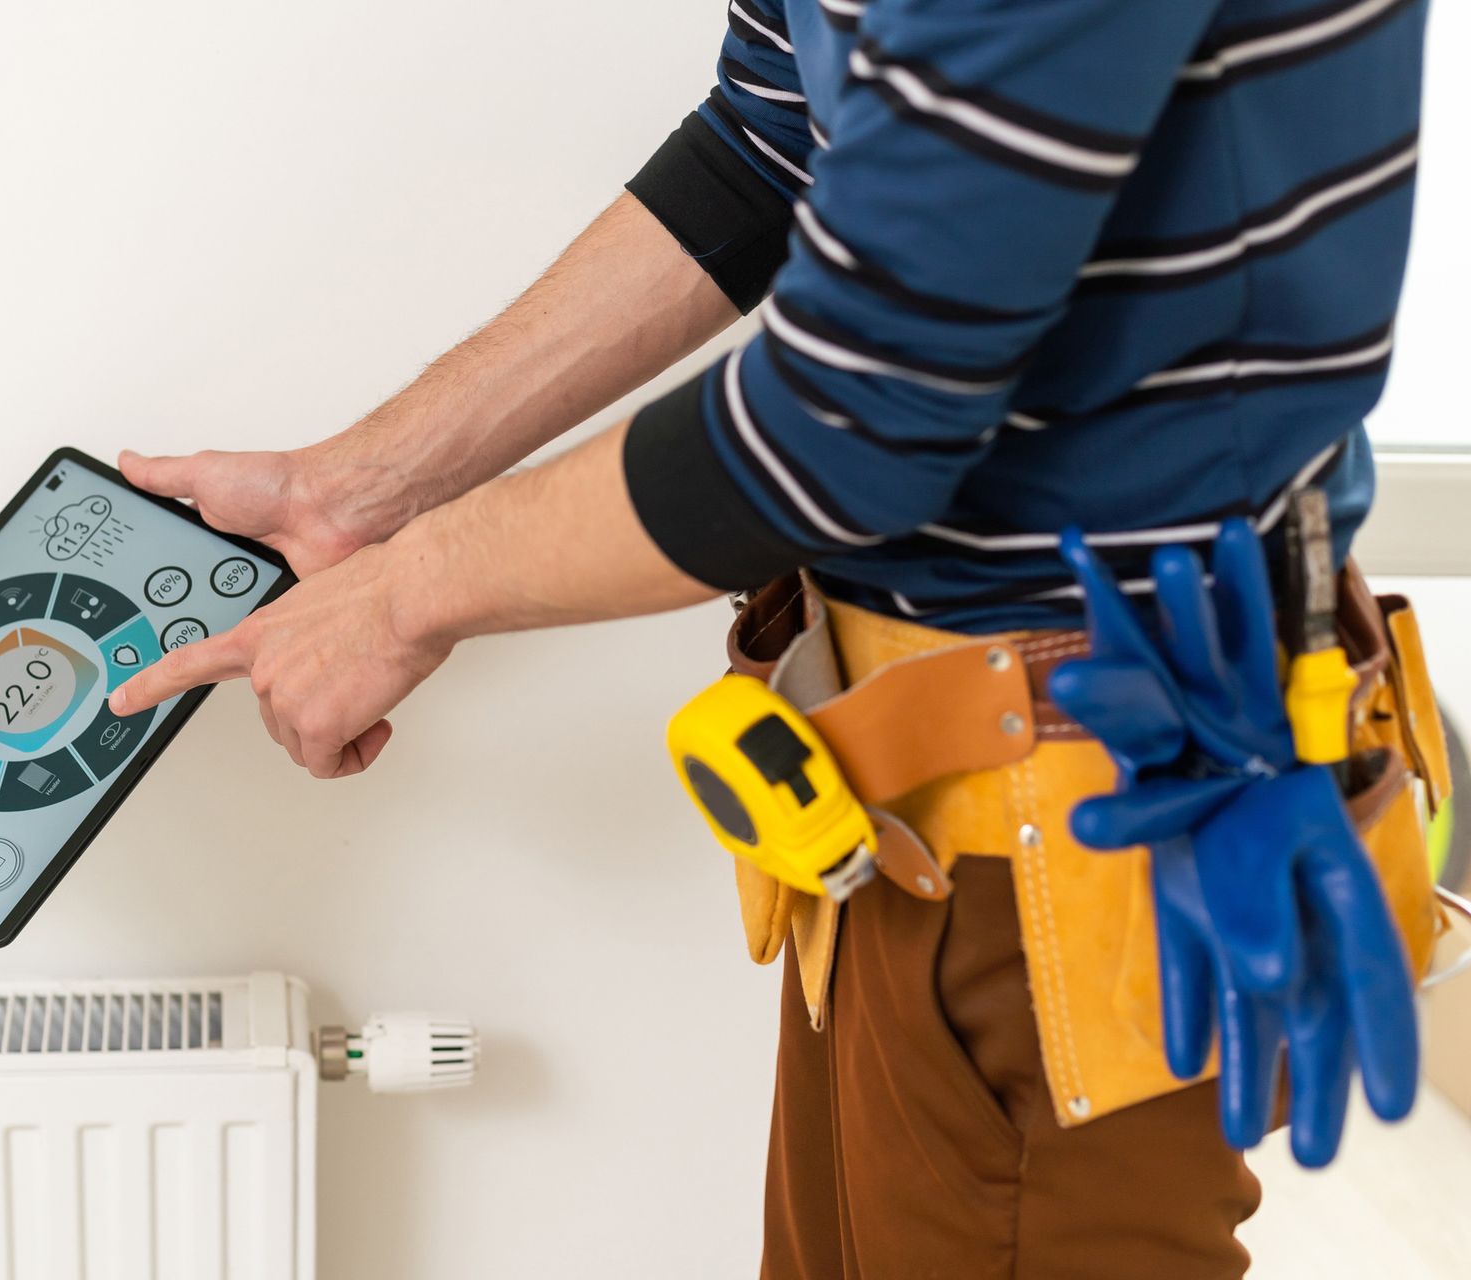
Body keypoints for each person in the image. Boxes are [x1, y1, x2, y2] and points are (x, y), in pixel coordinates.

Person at [112, 0, 1444, 1274]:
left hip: (1091, 811)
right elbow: (776, 134)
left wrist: (407, 594)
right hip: (895, 807)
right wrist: (364, 494)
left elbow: (855, 422)